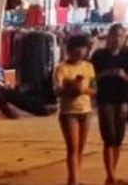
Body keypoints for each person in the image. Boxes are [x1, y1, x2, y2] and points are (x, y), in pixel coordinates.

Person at [92, 24, 128, 184]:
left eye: (121, 36)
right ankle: (110, 175)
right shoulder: (99, 56)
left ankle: (112, 174)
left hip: (122, 101)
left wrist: (124, 76)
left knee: (118, 139)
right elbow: (91, 78)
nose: (117, 39)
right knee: (109, 137)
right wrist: (105, 74)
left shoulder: (127, 56)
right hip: (105, 100)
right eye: (115, 35)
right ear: (108, 37)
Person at [54, 35, 95, 185]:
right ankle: (74, 181)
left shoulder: (89, 67)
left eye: (83, 48)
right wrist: (70, 88)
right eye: (77, 47)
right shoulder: (61, 68)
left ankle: (75, 178)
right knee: (73, 148)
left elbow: (94, 89)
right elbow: (57, 91)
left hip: (86, 111)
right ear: (70, 49)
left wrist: (83, 90)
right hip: (69, 112)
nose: (80, 51)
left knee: (80, 149)